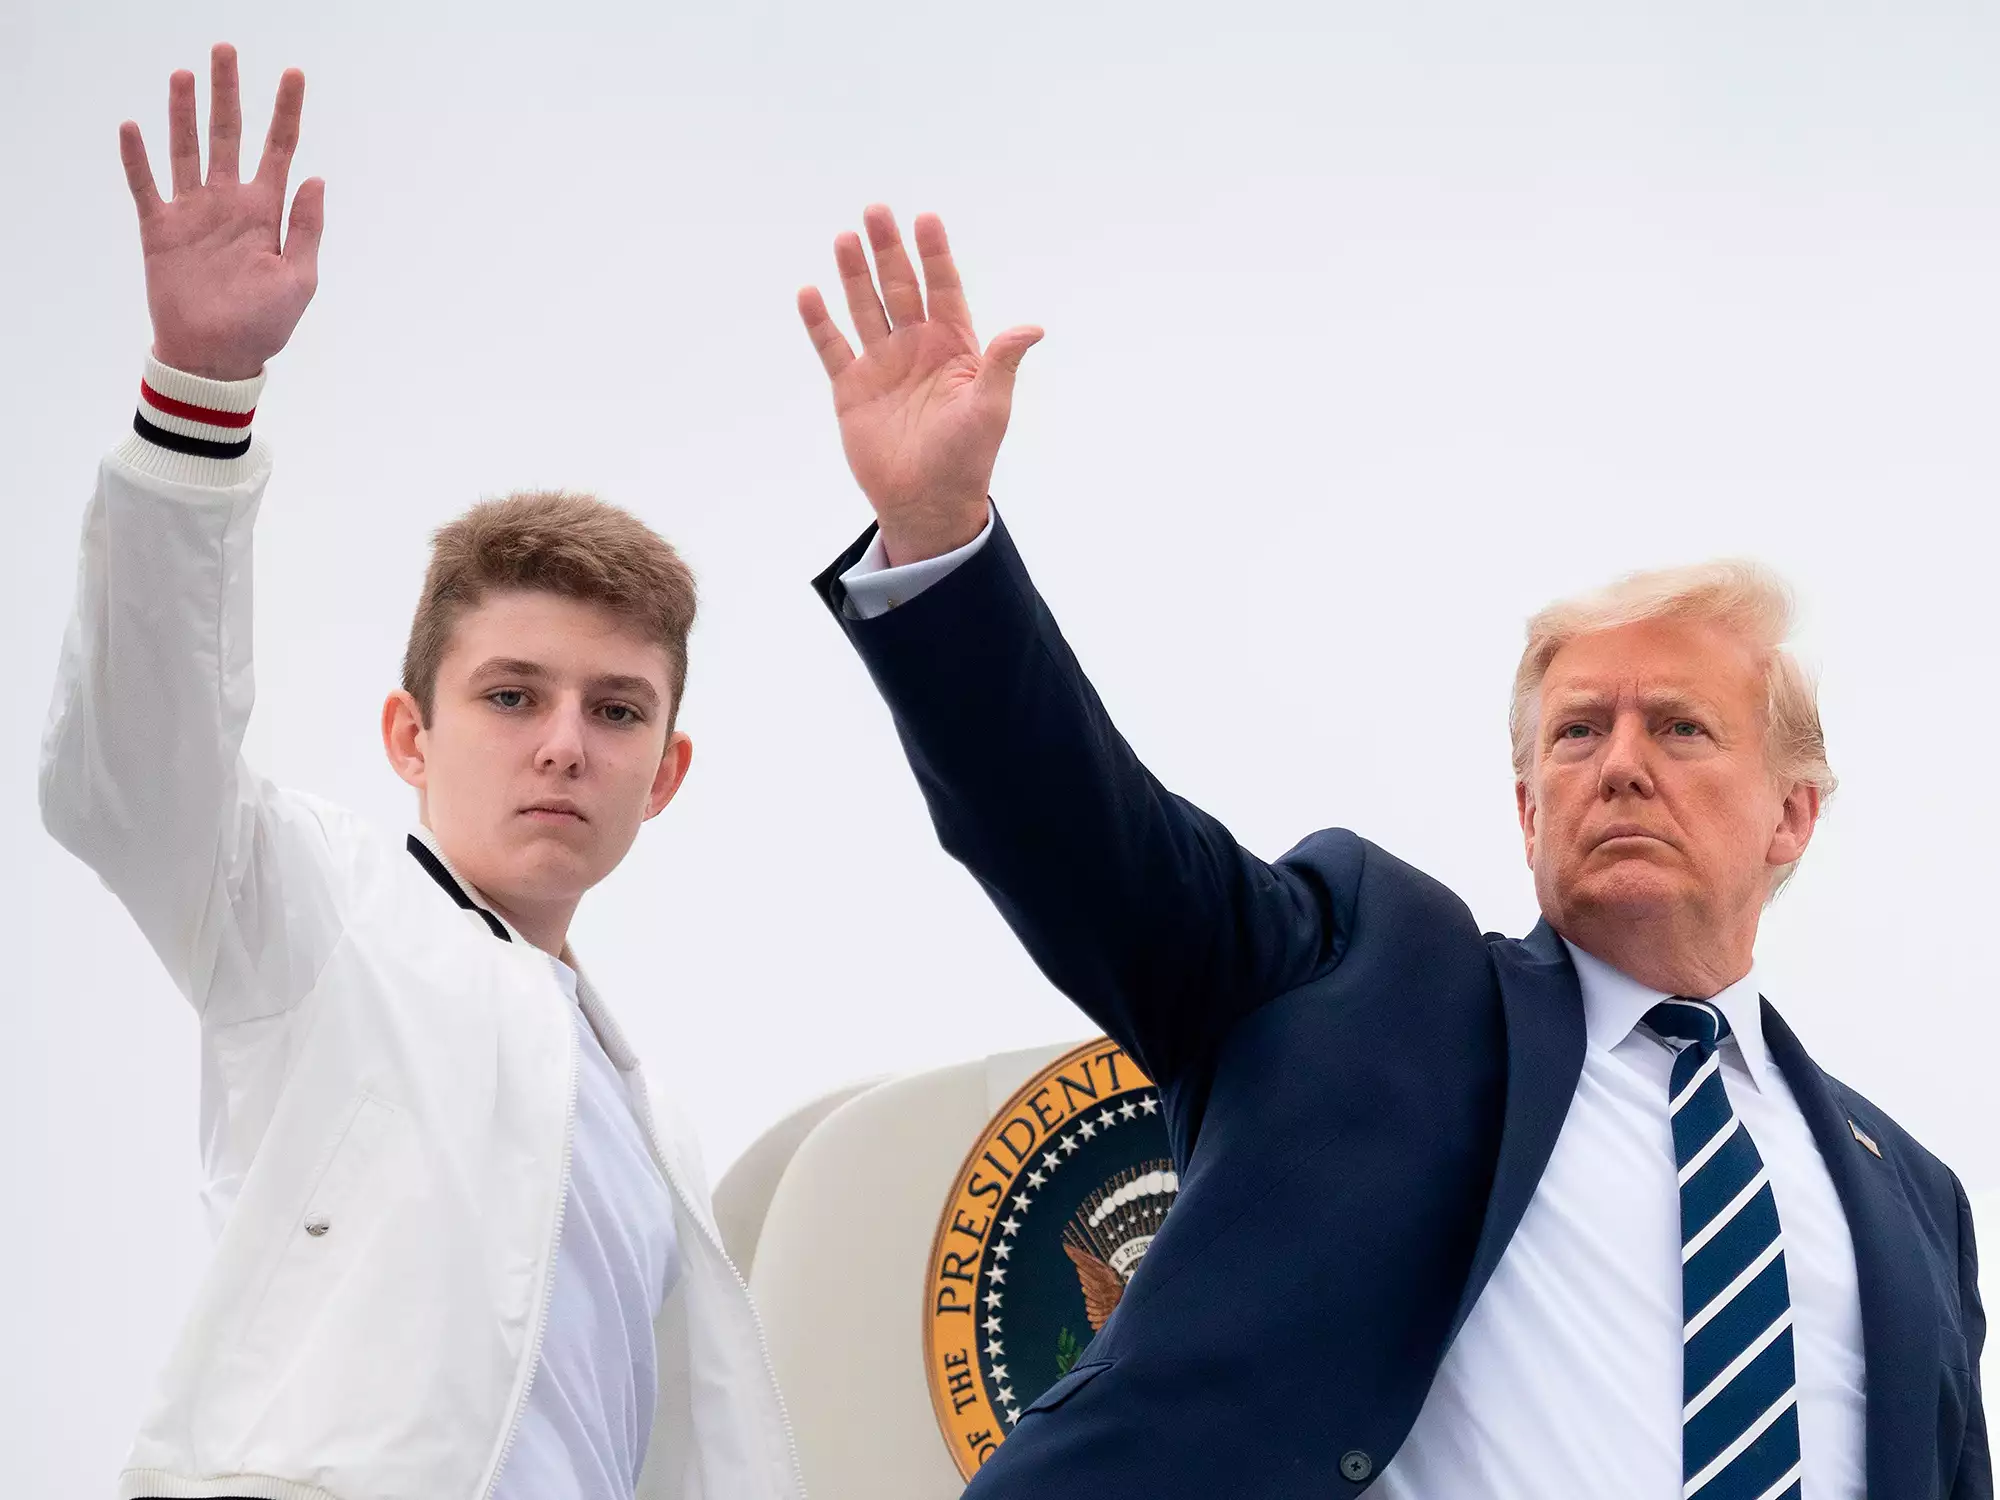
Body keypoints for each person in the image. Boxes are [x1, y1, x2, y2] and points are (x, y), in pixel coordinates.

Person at [794, 205, 1988, 1499]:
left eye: (1682, 728)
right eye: (1579, 731)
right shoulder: (1364, 983)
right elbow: (1089, 844)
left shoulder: (1914, 1201)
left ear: (1792, 816)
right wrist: (940, 542)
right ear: (1529, 810)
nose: (1621, 762)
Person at [38, 46, 801, 1500]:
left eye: (617, 710)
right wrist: (200, 389)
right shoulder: (312, 914)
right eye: (511, 694)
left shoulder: (652, 1124)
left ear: (669, 769)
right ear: (410, 735)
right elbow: (130, 767)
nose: (566, 740)